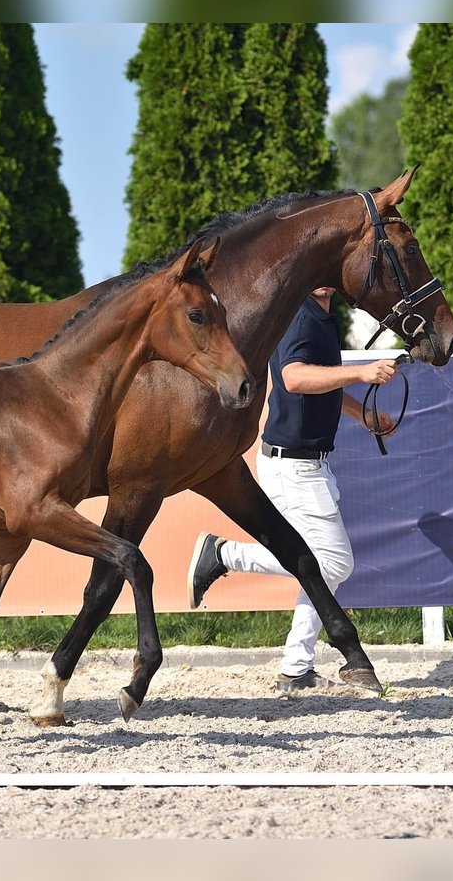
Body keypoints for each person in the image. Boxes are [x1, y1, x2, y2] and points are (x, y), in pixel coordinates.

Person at [186, 285, 396, 692]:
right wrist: (363, 372)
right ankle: (224, 554)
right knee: (332, 565)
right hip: (293, 467)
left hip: (306, 463)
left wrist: (360, 414)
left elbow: (322, 384)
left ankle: (296, 668)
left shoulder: (322, 316)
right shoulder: (300, 314)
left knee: (322, 572)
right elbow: (294, 377)